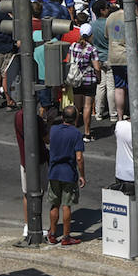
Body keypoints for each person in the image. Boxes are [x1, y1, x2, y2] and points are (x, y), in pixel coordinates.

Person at [46, 106, 86, 245]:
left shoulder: (54, 130)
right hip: (68, 173)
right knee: (66, 205)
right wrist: (82, 175)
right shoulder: (76, 134)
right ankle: (66, 237)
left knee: (54, 204)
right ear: (76, 119)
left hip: (54, 172)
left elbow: (47, 141)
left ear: (62, 117)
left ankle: (52, 234)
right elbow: (79, 158)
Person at [15, 105, 49, 235]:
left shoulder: (18, 116)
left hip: (25, 161)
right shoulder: (36, 120)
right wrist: (46, 122)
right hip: (39, 160)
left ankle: (27, 224)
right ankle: (36, 224)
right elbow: (47, 139)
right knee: (38, 192)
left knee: (26, 193)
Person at [68, 23, 101, 141]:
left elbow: (69, 61)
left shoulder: (73, 46)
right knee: (87, 106)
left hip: (76, 79)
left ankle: (73, 130)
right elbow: (97, 67)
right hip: (89, 79)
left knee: (77, 106)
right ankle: (87, 133)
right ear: (91, 35)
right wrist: (99, 78)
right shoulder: (92, 49)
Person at [89, 0, 116, 123]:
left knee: (100, 86)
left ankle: (98, 113)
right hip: (110, 57)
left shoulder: (91, 25)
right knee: (111, 87)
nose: (108, 9)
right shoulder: (111, 24)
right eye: (107, 7)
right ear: (102, 10)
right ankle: (113, 114)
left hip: (97, 59)